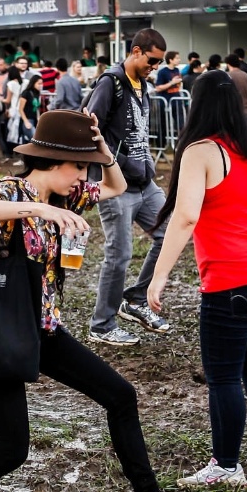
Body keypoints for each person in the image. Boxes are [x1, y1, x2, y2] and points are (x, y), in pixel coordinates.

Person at [0, 109, 217, 492]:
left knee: (121, 396)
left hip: (45, 331)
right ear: (53, 162)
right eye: (79, 166)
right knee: (12, 450)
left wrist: (102, 147)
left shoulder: (69, 197)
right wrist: (34, 208)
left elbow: (117, 186)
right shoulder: (16, 193)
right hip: (4, 333)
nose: (83, 176)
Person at [147, 69, 247, 479]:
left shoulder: (200, 151)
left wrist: (159, 275)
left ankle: (226, 465)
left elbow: (185, 217)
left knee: (223, 376)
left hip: (232, 278)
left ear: (196, 105)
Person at [86, 28, 172, 346]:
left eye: (158, 62)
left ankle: (133, 300)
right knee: (119, 254)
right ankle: (102, 324)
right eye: (152, 60)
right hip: (115, 183)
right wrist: (109, 167)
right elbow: (90, 129)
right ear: (136, 51)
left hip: (144, 181)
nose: (155, 67)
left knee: (171, 231)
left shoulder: (142, 83)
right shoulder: (111, 83)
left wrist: (146, 167)